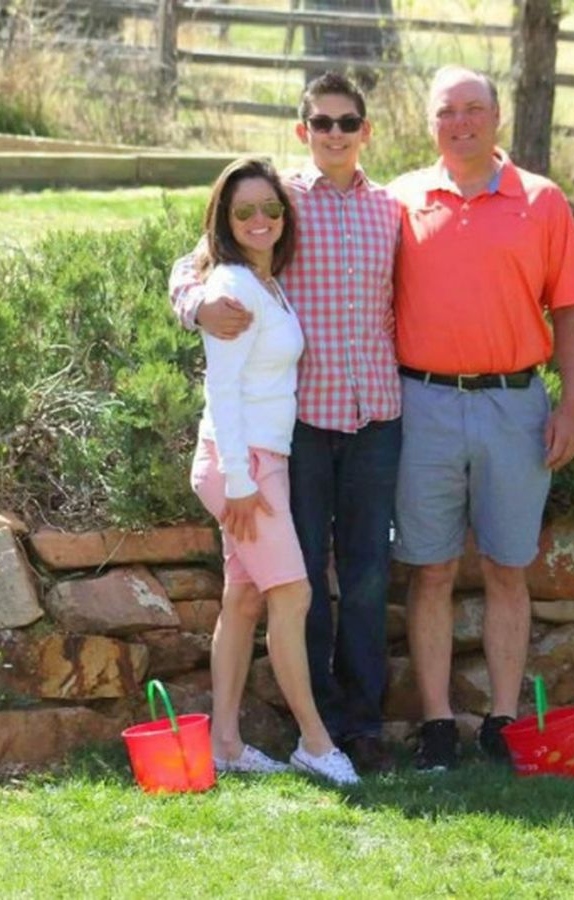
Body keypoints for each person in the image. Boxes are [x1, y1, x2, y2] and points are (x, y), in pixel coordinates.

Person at [170, 73, 402, 774]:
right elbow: (194, 264)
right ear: (304, 131)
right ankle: (317, 733)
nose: (335, 133)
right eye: (321, 122)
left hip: (375, 416)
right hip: (296, 432)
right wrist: (194, 307)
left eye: (347, 121)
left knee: (353, 577)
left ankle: (352, 728)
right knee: (297, 587)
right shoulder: (277, 201)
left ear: (365, 131)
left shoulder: (392, 209)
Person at [389, 65, 574, 771]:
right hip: (422, 405)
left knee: (509, 568)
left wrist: (573, 405)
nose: (461, 123)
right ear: (430, 123)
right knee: (431, 570)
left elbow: (572, 307)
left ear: (498, 115)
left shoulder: (542, 200)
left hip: (515, 405)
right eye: (447, 111)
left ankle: (504, 720)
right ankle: (437, 723)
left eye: (474, 108)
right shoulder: (400, 200)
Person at [189, 156, 359, 786]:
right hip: (242, 466)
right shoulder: (231, 287)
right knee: (293, 593)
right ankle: (315, 743)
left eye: (270, 208)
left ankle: (225, 745)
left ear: (284, 215)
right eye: (244, 211)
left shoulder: (265, 281)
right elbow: (222, 390)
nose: (259, 219)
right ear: (225, 220)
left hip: (265, 461)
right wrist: (239, 481)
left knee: (243, 598)